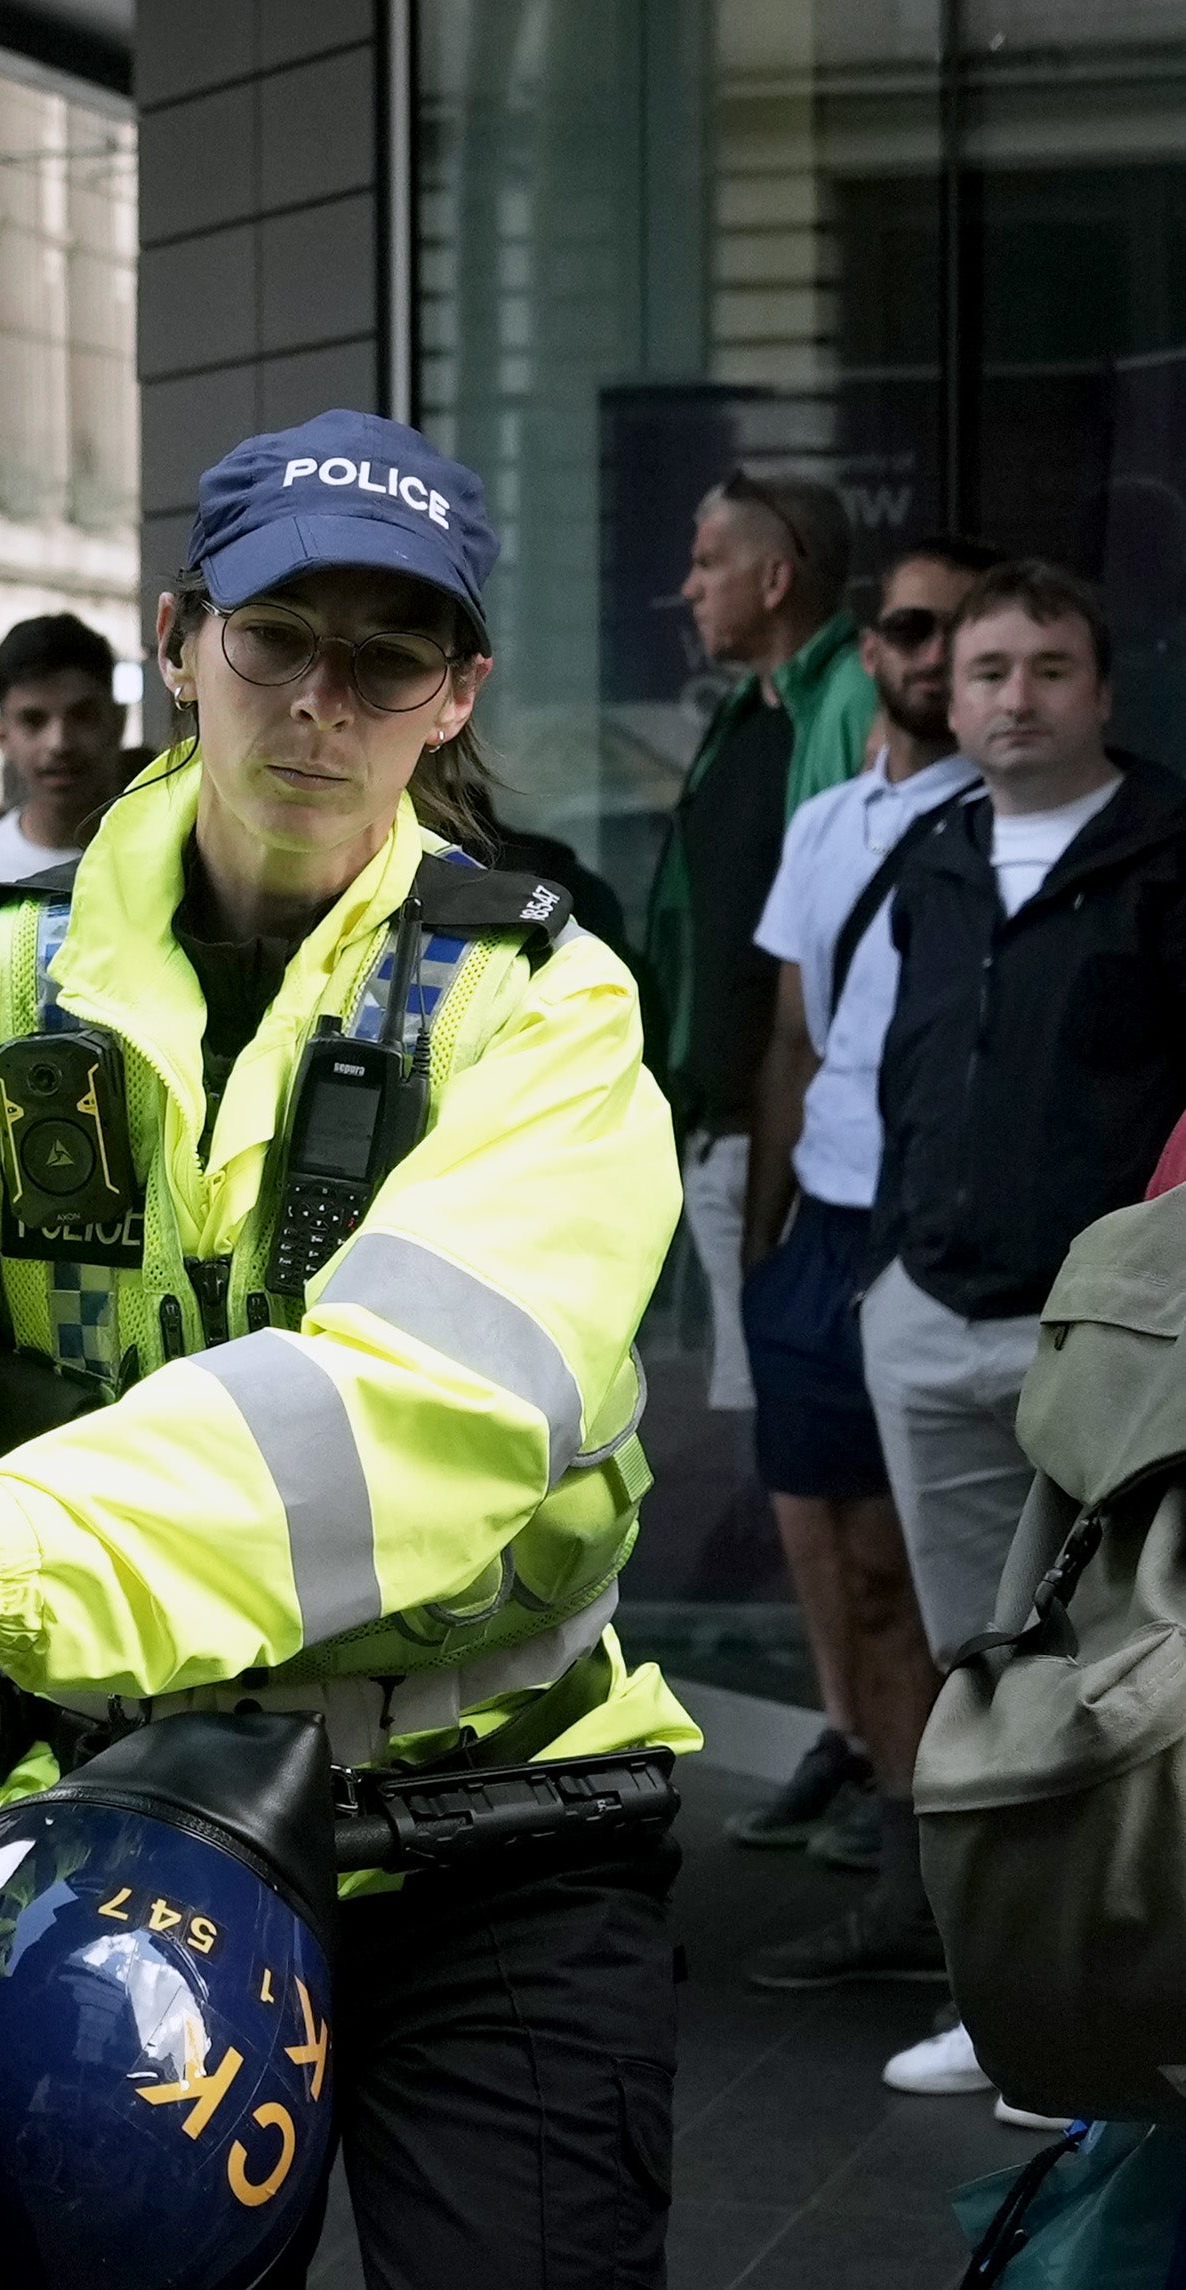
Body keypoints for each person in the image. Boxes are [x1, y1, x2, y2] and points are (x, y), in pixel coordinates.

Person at [0, 410, 698, 2285]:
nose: (319, 701)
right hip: (117, 1821)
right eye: (275, 638)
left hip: (501, 1837)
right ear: (175, 640)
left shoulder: (548, 1008)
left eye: (384, 659)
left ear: (453, 698)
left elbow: (424, 1408)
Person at [753, 563, 1186, 2060]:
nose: (1010, 695)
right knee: (978, 1671)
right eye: (985, 669)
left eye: (1044, 668)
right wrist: (877, 1266)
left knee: (1131, 1669)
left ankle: (1129, 2008)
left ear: (1099, 691)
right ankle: (997, 1996)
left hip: (1117, 1340)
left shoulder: (1164, 848)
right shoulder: (928, 855)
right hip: (923, 1313)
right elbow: (876, 1064)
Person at [726, 535, 998, 1889]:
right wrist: (756, 1234)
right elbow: (789, 1037)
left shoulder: (999, 824)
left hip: (924, 1241)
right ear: (868, 644)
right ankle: (869, 1787)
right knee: (818, 1532)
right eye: (910, 628)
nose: (934, 656)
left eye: (965, 634)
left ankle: (926, 1876)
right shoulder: (825, 817)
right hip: (814, 1225)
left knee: (906, 1571)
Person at [645, 469, 876, 1413]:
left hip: (799, 1151)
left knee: (804, 1456)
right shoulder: (748, 711)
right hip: (725, 1134)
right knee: (764, 1436)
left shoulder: (852, 699)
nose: (689, 588)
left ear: (774, 580)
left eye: (708, 563)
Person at [0, 611, 129, 928]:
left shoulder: (172, 857)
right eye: (34, 721)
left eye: (82, 716)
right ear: (3, 736)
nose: (59, 743)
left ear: (117, 723)